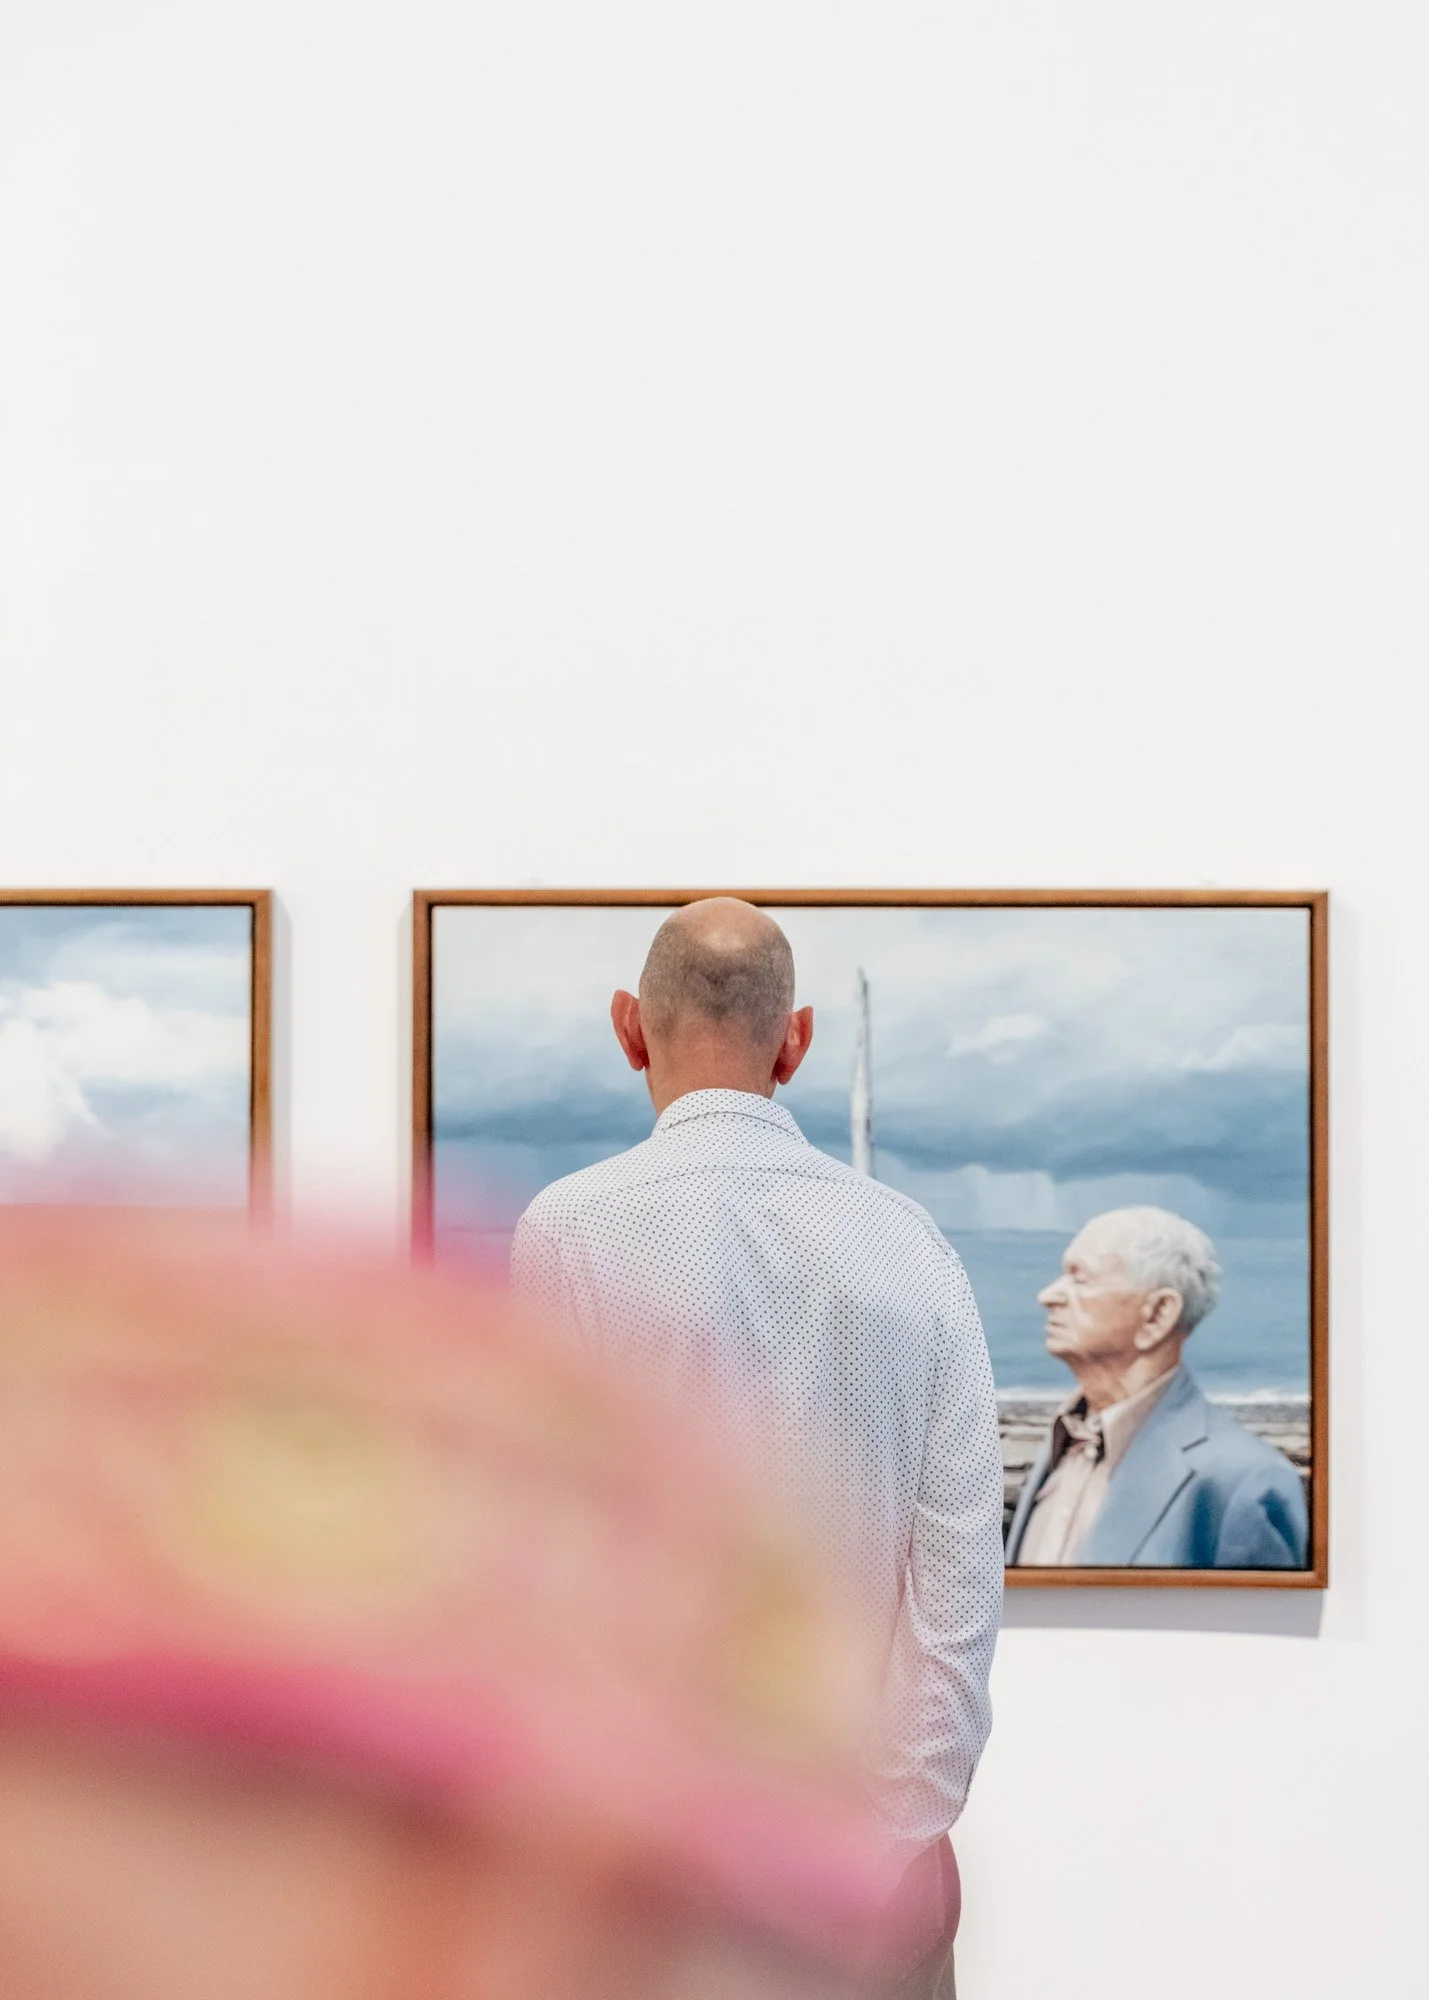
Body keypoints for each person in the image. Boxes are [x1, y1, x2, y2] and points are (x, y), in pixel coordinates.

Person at [512, 898, 1005, 2000]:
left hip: (649, 1872)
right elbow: (958, 1607)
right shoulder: (911, 1246)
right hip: (878, 1876)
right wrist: (875, 1845)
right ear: (797, 1039)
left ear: (628, 1027)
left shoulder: (569, 1231)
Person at [1005, 1207, 1308, 1569]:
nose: (1048, 1295)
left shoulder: (1245, 1482)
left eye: (1080, 1279)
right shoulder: (1062, 1447)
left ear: (1158, 1314)